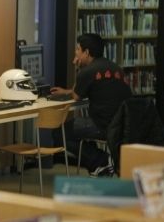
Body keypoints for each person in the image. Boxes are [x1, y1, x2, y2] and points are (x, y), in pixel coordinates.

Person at [50, 33, 132, 176]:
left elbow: (76, 96)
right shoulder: (115, 67)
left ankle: (100, 160)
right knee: (76, 130)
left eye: (77, 50)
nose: (75, 53)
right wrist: (67, 91)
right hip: (124, 124)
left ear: (86, 52)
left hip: (103, 125)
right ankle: (99, 165)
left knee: (59, 133)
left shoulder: (87, 71)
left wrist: (78, 68)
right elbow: (88, 89)